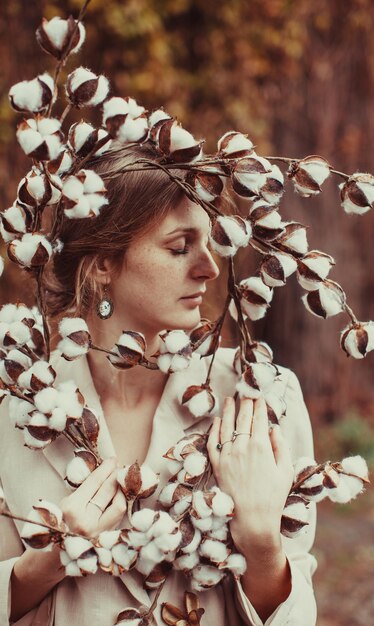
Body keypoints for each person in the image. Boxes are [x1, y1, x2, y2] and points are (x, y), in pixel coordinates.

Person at [0, 144, 317, 626]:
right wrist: (44, 562)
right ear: (104, 263)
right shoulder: (16, 412)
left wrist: (261, 544)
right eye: (179, 246)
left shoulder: (259, 397)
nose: (210, 268)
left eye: (209, 244)